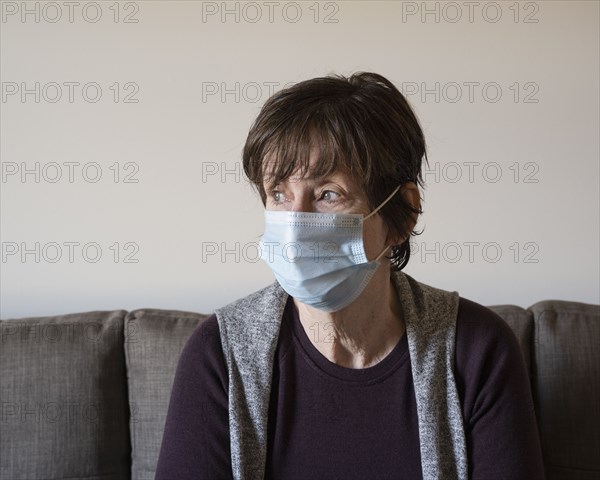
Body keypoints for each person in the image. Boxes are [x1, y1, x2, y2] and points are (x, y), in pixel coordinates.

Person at [155, 72, 545, 479]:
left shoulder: (477, 350)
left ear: (402, 214)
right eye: (279, 193)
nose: (295, 222)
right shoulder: (219, 354)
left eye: (328, 194)